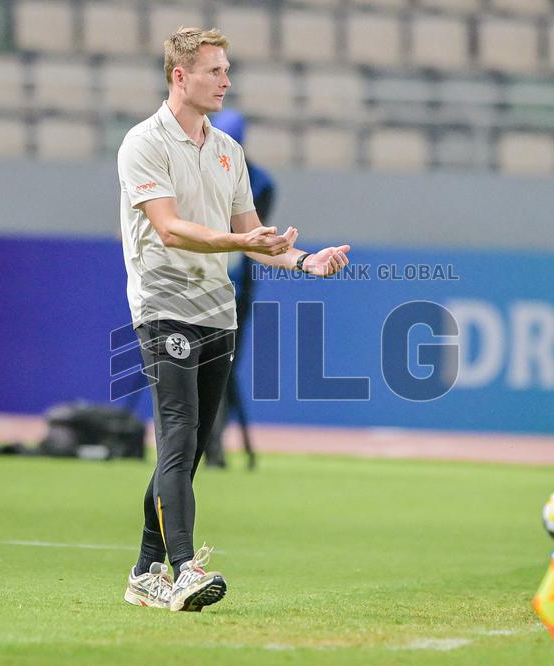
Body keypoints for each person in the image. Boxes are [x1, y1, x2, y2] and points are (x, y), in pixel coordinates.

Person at [117, 27, 350, 612]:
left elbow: (254, 241)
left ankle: (145, 571)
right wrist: (236, 237)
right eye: (215, 70)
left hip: (217, 311)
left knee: (191, 449)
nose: (226, 80)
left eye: (226, 69)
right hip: (164, 305)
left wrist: (304, 260)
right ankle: (184, 570)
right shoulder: (144, 143)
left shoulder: (228, 151)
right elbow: (169, 228)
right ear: (180, 75)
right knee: (176, 434)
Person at [204, 108, 275, 470]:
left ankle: (213, 442)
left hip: (235, 287)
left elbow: (249, 233)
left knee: (223, 366)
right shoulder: (195, 169)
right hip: (197, 280)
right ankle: (203, 443)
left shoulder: (259, 181)